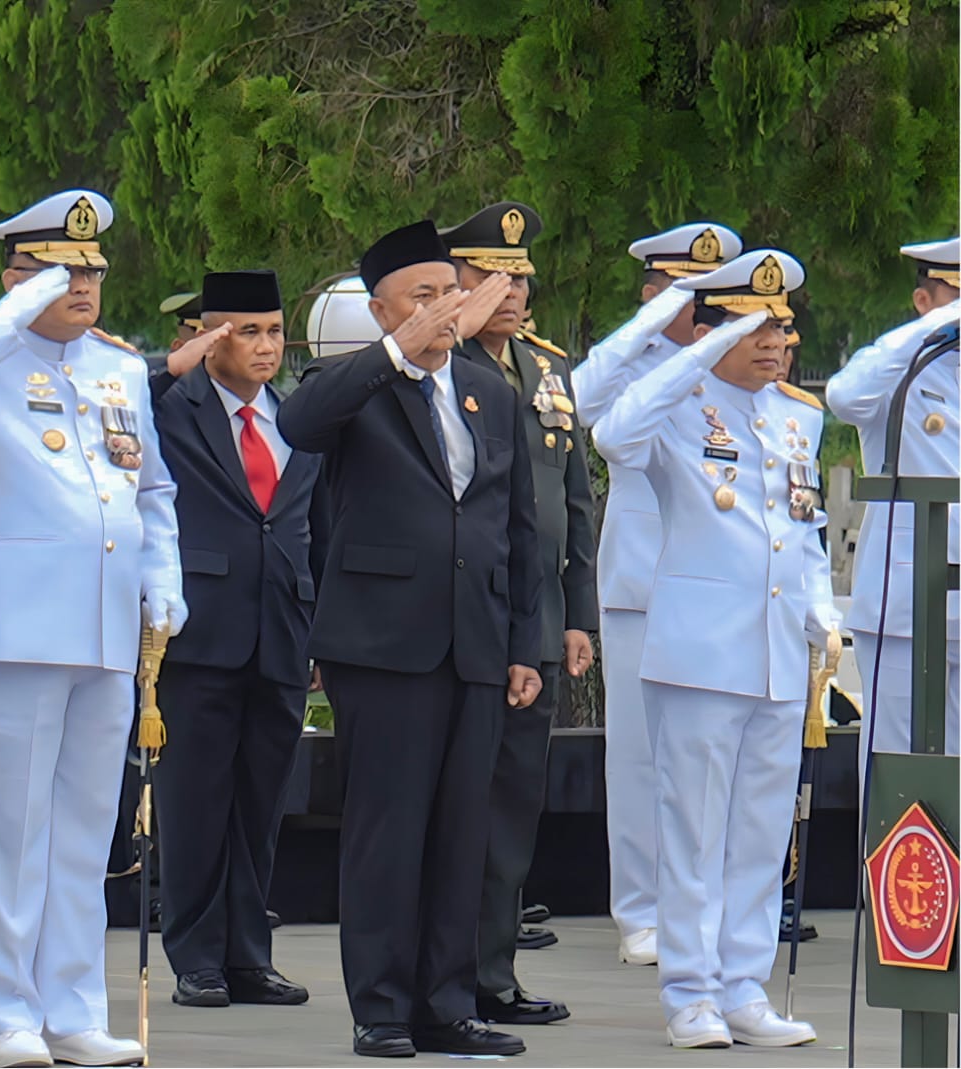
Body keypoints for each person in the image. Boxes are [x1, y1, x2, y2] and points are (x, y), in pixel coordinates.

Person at [0, 189, 184, 1069]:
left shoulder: (118, 367)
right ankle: (8, 1012)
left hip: (103, 629)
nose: (82, 285)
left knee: (83, 834)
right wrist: (6, 316)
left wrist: (163, 575)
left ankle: (73, 1009)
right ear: (16, 276)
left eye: (91, 269)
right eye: (60, 271)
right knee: (8, 834)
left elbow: (152, 488)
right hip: (12, 628)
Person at [278, 219, 542, 1059]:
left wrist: (524, 642)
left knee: (463, 832)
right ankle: (383, 1006)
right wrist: (394, 354)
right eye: (420, 297)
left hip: (475, 640)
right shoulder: (358, 386)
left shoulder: (489, 391)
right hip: (384, 642)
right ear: (382, 310)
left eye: (449, 293)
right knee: (387, 831)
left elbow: (517, 525)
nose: (441, 309)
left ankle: (447, 1003)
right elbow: (300, 423)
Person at [593, 249, 837, 1049]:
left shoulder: (797, 416)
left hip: (775, 655)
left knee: (760, 834)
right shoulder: (675, 404)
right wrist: (696, 348)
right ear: (714, 332)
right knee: (694, 832)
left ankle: (743, 987)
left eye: (781, 330)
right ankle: (690, 992)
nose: (775, 346)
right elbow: (611, 430)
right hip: (699, 655)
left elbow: (803, 527)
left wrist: (821, 609)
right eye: (755, 330)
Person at [437, 202, 597, 1021]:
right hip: (465, 618)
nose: (512, 291)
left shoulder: (545, 369)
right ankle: (447, 976)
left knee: (512, 811)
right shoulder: (441, 366)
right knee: (459, 808)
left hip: (537, 621)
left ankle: (494, 975)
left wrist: (579, 616)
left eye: (521, 277)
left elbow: (575, 503)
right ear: (457, 283)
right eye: (493, 277)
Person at [147, 270, 321, 1010]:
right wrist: (171, 365)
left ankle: (249, 954)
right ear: (208, 336)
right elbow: (118, 402)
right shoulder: (172, 406)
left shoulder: (297, 414)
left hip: (282, 628)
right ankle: (196, 956)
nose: (266, 346)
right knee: (195, 801)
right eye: (247, 331)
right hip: (200, 632)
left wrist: (321, 627)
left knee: (259, 804)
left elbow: (313, 524)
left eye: (274, 331)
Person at [572, 221, 742, 967]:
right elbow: (578, 404)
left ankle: (709, 906)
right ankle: (641, 910)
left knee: (716, 756)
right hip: (644, 580)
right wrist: (645, 326)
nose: (698, 306)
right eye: (684, 292)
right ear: (652, 292)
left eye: (709, 292)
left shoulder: (734, 360)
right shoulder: (628, 362)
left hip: (724, 586)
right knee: (640, 759)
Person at [826, 237, 960, 769]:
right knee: (896, 771)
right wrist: (938, 325)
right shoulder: (899, 373)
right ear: (924, 302)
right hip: (906, 603)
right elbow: (844, 395)